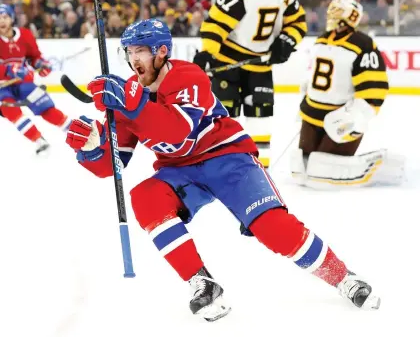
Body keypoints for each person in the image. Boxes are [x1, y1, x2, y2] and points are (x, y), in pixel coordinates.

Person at [65, 19, 379, 322]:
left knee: (273, 229)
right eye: (129, 52)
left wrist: (132, 105)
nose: (134, 59)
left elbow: (176, 131)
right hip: (181, 171)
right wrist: (92, 146)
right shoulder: (129, 95)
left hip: (228, 158)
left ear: (161, 52)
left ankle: (343, 277)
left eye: (140, 51)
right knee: (145, 197)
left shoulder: (188, 76)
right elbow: (112, 166)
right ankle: (202, 282)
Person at [193, 0, 307, 168]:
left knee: (261, 119)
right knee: (225, 120)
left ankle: (258, 170)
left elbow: (298, 23)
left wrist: (286, 40)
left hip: (260, 66)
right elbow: (217, 21)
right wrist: (207, 52)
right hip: (228, 62)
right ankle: (221, 167)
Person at [290, 0, 405, 188]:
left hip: (339, 117)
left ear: (349, 17)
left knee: (322, 171)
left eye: (336, 11)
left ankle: (381, 166)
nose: (330, 15)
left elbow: (374, 90)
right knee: (301, 168)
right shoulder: (322, 39)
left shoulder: (363, 44)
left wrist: (356, 117)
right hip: (312, 114)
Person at [0, 4, 71, 154]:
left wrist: (41, 64)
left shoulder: (25, 35)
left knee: (45, 107)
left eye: (4, 17)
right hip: (2, 87)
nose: (1, 21)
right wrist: (10, 70)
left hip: (24, 82)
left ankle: (74, 130)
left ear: (11, 18)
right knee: (11, 111)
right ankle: (38, 140)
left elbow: (34, 56)